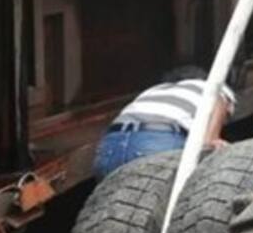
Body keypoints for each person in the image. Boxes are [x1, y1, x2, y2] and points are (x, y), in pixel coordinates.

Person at [92, 67, 235, 181]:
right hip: (156, 143)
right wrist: (211, 140)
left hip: (110, 146)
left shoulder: (154, 90)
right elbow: (219, 100)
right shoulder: (209, 85)